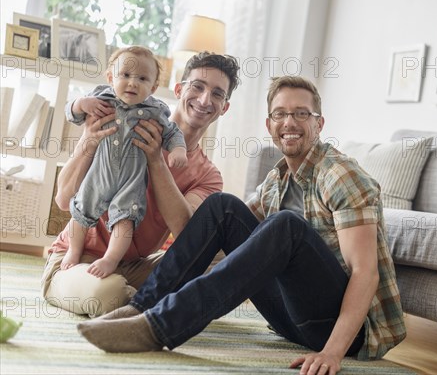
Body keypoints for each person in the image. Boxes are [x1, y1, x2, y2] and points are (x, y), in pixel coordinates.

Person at [77, 76, 407, 374]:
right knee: (222, 206)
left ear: (319, 124)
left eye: (301, 114)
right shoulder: (278, 178)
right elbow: (231, 239)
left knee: (285, 225)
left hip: (347, 333)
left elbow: (365, 273)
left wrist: (333, 353)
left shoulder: (341, 175)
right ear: (269, 124)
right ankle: (141, 307)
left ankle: (159, 326)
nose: (289, 122)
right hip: (290, 321)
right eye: (280, 114)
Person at [41, 52, 241, 317]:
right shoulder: (123, 122)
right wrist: (88, 140)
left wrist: (157, 161)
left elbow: (187, 235)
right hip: (77, 261)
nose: (205, 100)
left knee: (228, 259)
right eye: (198, 87)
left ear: (224, 107)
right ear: (179, 90)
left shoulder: (208, 175)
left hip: (137, 266)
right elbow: (64, 200)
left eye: (217, 94)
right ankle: (155, 304)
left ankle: (148, 299)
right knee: (104, 294)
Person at [62, 46, 188, 279]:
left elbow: (172, 133)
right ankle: (73, 250)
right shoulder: (100, 98)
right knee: (80, 211)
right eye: (125, 76)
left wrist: (179, 150)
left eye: (142, 78)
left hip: (131, 182)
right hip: (99, 175)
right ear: (111, 78)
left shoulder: (155, 111)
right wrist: (80, 103)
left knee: (125, 221)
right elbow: (70, 112)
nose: (132, 83)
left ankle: (111, 258)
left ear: (153, 87)